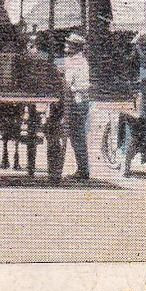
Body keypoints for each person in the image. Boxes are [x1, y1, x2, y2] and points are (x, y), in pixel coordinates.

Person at [56, 32, 92, 181]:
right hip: (81, 100)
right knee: (78, 136)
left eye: (69, 44)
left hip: (76, 100)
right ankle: (82, 168)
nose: (66, 46)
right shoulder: (80, 60)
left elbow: (68, 84)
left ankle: (83, 170)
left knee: (77, 137)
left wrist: (60, 76)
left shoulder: (74, 61)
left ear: (75, 47)